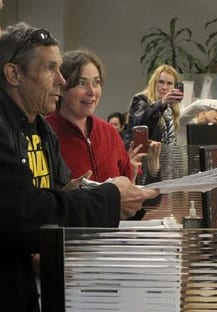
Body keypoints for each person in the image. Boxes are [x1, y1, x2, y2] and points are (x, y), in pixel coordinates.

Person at [0, 22, 159, 311]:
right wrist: (109, 198)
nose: (61, 80)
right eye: (50, 69)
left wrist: (75, 195)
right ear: (14, 74)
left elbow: (59, 194)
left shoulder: (41, 129)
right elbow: (23, 210)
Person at [46, 49, 161, 185]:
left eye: (96, 82)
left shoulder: (109, 132)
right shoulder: (45, 132)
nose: (92, 92)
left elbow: (130, 195)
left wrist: (138, 173)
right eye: (82, 83)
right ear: (62, 87)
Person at [123, 64, 183, 148]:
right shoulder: (141, 99)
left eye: (169, 83)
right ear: (154, 83)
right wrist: (162, 103)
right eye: (161, 82)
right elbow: (141, 124)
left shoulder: (170, 108)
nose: (164, 87)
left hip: (163, 157)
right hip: (141, 157)